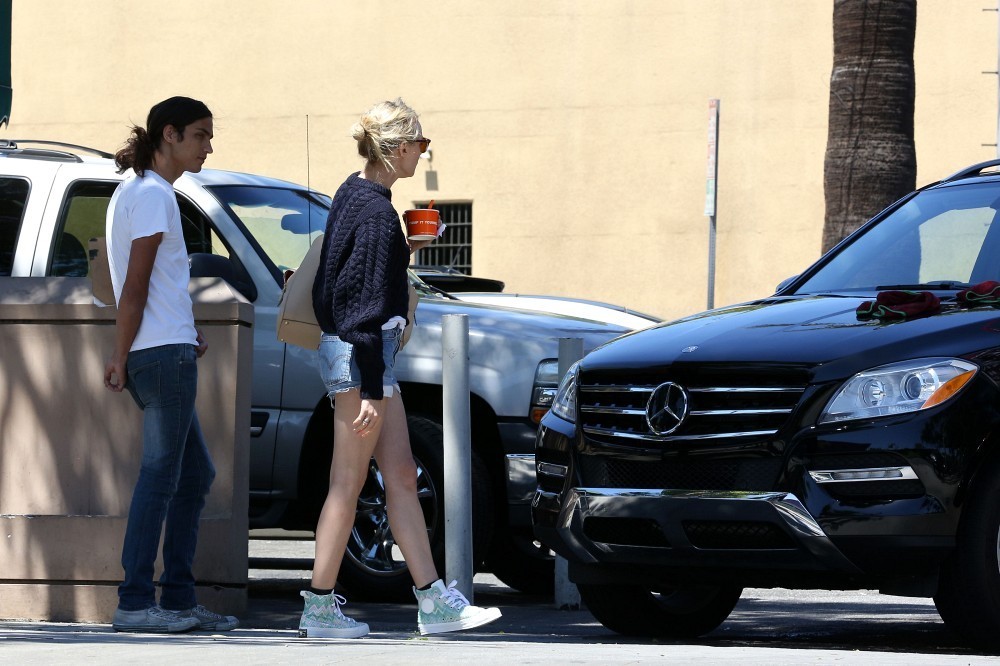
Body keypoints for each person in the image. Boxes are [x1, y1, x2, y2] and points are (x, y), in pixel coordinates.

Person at [303, 98, 502, 638]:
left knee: (401, 479)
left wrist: (403, 249)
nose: (424, 151)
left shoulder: (353, 194)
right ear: (395, 148)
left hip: (363, 358)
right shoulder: (376, 213)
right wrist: (372, 388)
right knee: (347, 484)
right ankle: (318, 608)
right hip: (363, 360)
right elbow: (361, 310)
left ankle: (434, 601)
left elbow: (348, 284)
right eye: (420, 142)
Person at [104, 96, 239, 634]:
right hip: (161, 357)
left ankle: (178, 600)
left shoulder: (137, 191)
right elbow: (134, 286)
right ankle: (136, 602)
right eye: (201, 135)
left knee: (193, 474)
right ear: (169, 134)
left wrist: (185, 327)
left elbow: (152, 285)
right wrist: (119, 355)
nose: (208, 146)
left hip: (164, 347)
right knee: (161, 476)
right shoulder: (154, 195)